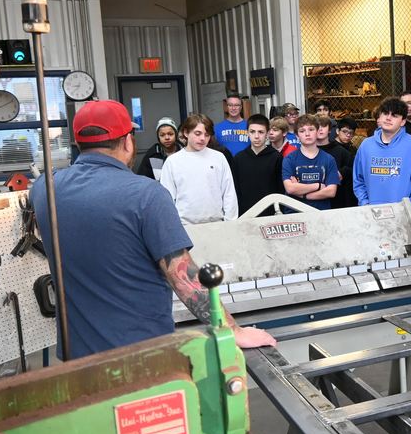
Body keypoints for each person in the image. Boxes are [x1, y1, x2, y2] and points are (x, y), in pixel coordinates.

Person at [30, 100, 274, 359]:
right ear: (127, 141)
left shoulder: (46, 189)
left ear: (79, 143)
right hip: (143, 356)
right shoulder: (146, 195)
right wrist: (233, 330)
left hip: (76, 357)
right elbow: (184, 278)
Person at [352, 97, 411, 211]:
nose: (388, 118)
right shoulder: (366, 145)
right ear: (379, 116)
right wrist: (365, 204)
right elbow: (358, 180)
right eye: (385, 113)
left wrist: (408, 210)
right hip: (371, 213)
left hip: (402, 216)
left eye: (394, 115)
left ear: (403, 121)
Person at [161, 113, 237, 225]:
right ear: (186, 133)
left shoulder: (219, 157)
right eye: (198, 133)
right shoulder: (172, 162)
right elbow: (167, 200)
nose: (202, 138)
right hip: (185, 227)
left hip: (217, 225)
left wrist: (231, 223)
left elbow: (229, 193)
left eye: (207, 135)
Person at [283, 114, 340, 210]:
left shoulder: (329, 159)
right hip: (294, 214)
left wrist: (303, 194)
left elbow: (331, 191)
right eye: (302, 131)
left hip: (320, 213)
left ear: (317, 132)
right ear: (297, 135)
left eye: (311, 129)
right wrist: (318, 186)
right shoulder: (289, 159)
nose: (307, 134)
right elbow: (290, 189)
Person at [231, 114, 284, 215]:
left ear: (267, 134)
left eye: (261, 132)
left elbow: (280, 189)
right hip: (245, 214)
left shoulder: (276, 157)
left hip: (270, 213)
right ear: (247, 133)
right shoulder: (239, 158)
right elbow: (235, 190)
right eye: (252, 132)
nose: (256, 136)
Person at [316, 115, 355, 208]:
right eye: (317, 126)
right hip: (314, 201)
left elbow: (353, 169)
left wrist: (343, 172)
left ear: (330, 130)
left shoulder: (341, 151)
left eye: (323, 126)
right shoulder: (308, 150)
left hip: (337, 201)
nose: (320, 129)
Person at [135, 116, 181, 180]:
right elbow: (143, 179)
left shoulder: (183, 151)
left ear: (176, 135)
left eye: (170, 134)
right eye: (162, 135)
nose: (167, 138)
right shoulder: (152, 154)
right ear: (158, 137)